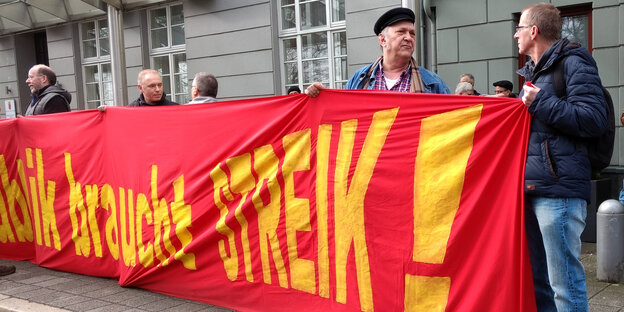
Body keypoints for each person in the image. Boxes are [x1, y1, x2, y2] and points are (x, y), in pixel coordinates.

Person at [516, 3, 608, 311]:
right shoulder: (535, 72)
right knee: (538, 282)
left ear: (533, 31)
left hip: (559, 191)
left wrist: (540, 102)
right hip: (533, 188)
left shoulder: (574, 62)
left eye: (519, 28)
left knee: (564, 284)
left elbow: (593, 118)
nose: (516, 35)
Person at [305, 7, 450, 96]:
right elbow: (341, 116)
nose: (408, 37)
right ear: (382, 40)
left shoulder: (433, 83)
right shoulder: (359, 80)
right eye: (401, 32)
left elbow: (451, 123)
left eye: (412, 33)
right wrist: (321, 97)